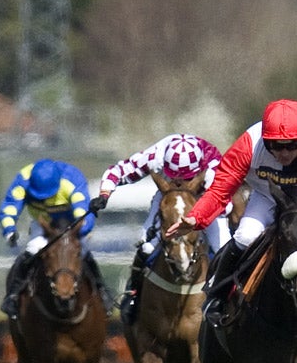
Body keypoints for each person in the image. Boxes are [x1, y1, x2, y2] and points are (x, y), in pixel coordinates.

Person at [166, 99, 297, 329]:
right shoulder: (249, 144)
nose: (284, 152)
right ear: (265, 140)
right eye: (275, 145)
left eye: (292, 145)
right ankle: (217, 296)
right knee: (245, 236)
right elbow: (221, 188)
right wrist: (196, 218)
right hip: (267, 196)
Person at [88, 133, 231, 325]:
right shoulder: (155, 155)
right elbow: (117, 171)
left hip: (206, 198)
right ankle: (134, 294)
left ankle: (230, 301)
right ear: (164, 165)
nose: (180, 182)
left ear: (199, 169)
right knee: (146, 246)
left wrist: (197, 219)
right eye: (175, 177)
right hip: (167, 196)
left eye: (186, 178)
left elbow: (225, 205)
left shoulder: (213, 165)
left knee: (225, 247)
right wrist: (105, 194)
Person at [0, 158, 113, 319]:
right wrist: (9, 230)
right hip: (44, 224)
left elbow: (83, 212)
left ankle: (103, 292)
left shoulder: (72, 178)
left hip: (72, 224)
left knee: (84, 253)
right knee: (31, 251)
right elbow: (10, 206)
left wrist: (78, 231)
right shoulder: (23, 180)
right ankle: (13, 296)